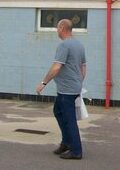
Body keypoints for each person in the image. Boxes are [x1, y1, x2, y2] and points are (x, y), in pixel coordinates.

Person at [36, 19, 86, 160]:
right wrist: (78, 83)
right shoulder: (79, 45)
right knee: (58, 111)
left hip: (67, 90)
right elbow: (83, 67)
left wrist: (43, 83)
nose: (56, 30)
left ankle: (76, 151)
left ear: (62, 28)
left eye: (57, 27)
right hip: (72, 87)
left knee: (70, 119)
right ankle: (66, 143)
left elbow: (57, 66)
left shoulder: (64, 45)